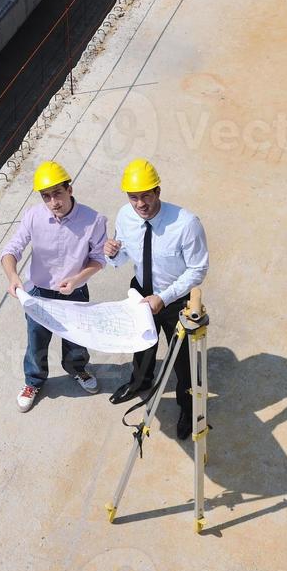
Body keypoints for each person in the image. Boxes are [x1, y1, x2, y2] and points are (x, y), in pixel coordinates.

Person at [103, 157, 209, 438]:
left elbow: (198, 269)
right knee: (141, 343)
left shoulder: (186, 224)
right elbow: (126, 254)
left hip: (175, 301)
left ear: (158, 191)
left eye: (146, 196)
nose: (140, 204)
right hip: (140, 291)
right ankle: (140, 382)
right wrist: (113, 254)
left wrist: (163, 296)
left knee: (183, 359)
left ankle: (188, 408)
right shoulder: (125, 216)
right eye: (134, 197)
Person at [1, 161, 108, 412]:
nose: (53, 202)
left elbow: (99, 259)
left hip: (75, 290)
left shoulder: (94, 220)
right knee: (36, 339)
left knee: (76, 337)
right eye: (46, 197)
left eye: (57, 193)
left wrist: (77, 279)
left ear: (69, 189)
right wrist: (13, 276)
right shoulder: (33, 216)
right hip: (38, 292)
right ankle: (34, 381)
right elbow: (11, 249)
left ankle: (78, 369)